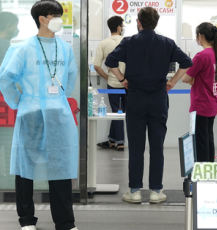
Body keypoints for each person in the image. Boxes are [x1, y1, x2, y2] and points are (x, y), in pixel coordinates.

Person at [0, 1, 79, 230]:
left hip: (58, 116)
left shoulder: (65, 48)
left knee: (61, 168)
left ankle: (65, 222)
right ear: (42, 18)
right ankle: (26, 221)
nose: (59, 19)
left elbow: (70, 77)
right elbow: (6, 78)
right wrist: (19, 102)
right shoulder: (22, 48)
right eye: (55, 15)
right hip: (31, 115)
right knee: (25, 168)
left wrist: (59, 99)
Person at [105, 7, 192, 204]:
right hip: (158, 99)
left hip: (135, 98)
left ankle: (135, 191)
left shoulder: (128, 42)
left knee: (135, 147)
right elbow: (187, 62)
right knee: (156, 146)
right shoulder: (167, 43)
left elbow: (110, 61)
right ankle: (155, 191)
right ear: (156, 23)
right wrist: (173, 82)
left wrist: (122, 78)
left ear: (138, 22)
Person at [182, 22, 217, 162]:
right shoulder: (216, 54)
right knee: (208, 138)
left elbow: (186, 78)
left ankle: (202, 172)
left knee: (200, 141)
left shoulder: (201, 56)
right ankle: (209, 168)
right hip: (213, 102)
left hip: (201, 103)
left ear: (201, 36)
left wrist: (194, 80)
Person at [94, 15, 127, 151]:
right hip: (127, 84)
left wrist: (107, 77)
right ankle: (118, 141)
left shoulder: (103, 43)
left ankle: (114, 140)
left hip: (112, 84)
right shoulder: (127, 41)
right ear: (119, 27)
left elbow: (96, 66)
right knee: (121, 112)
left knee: (116, 112)